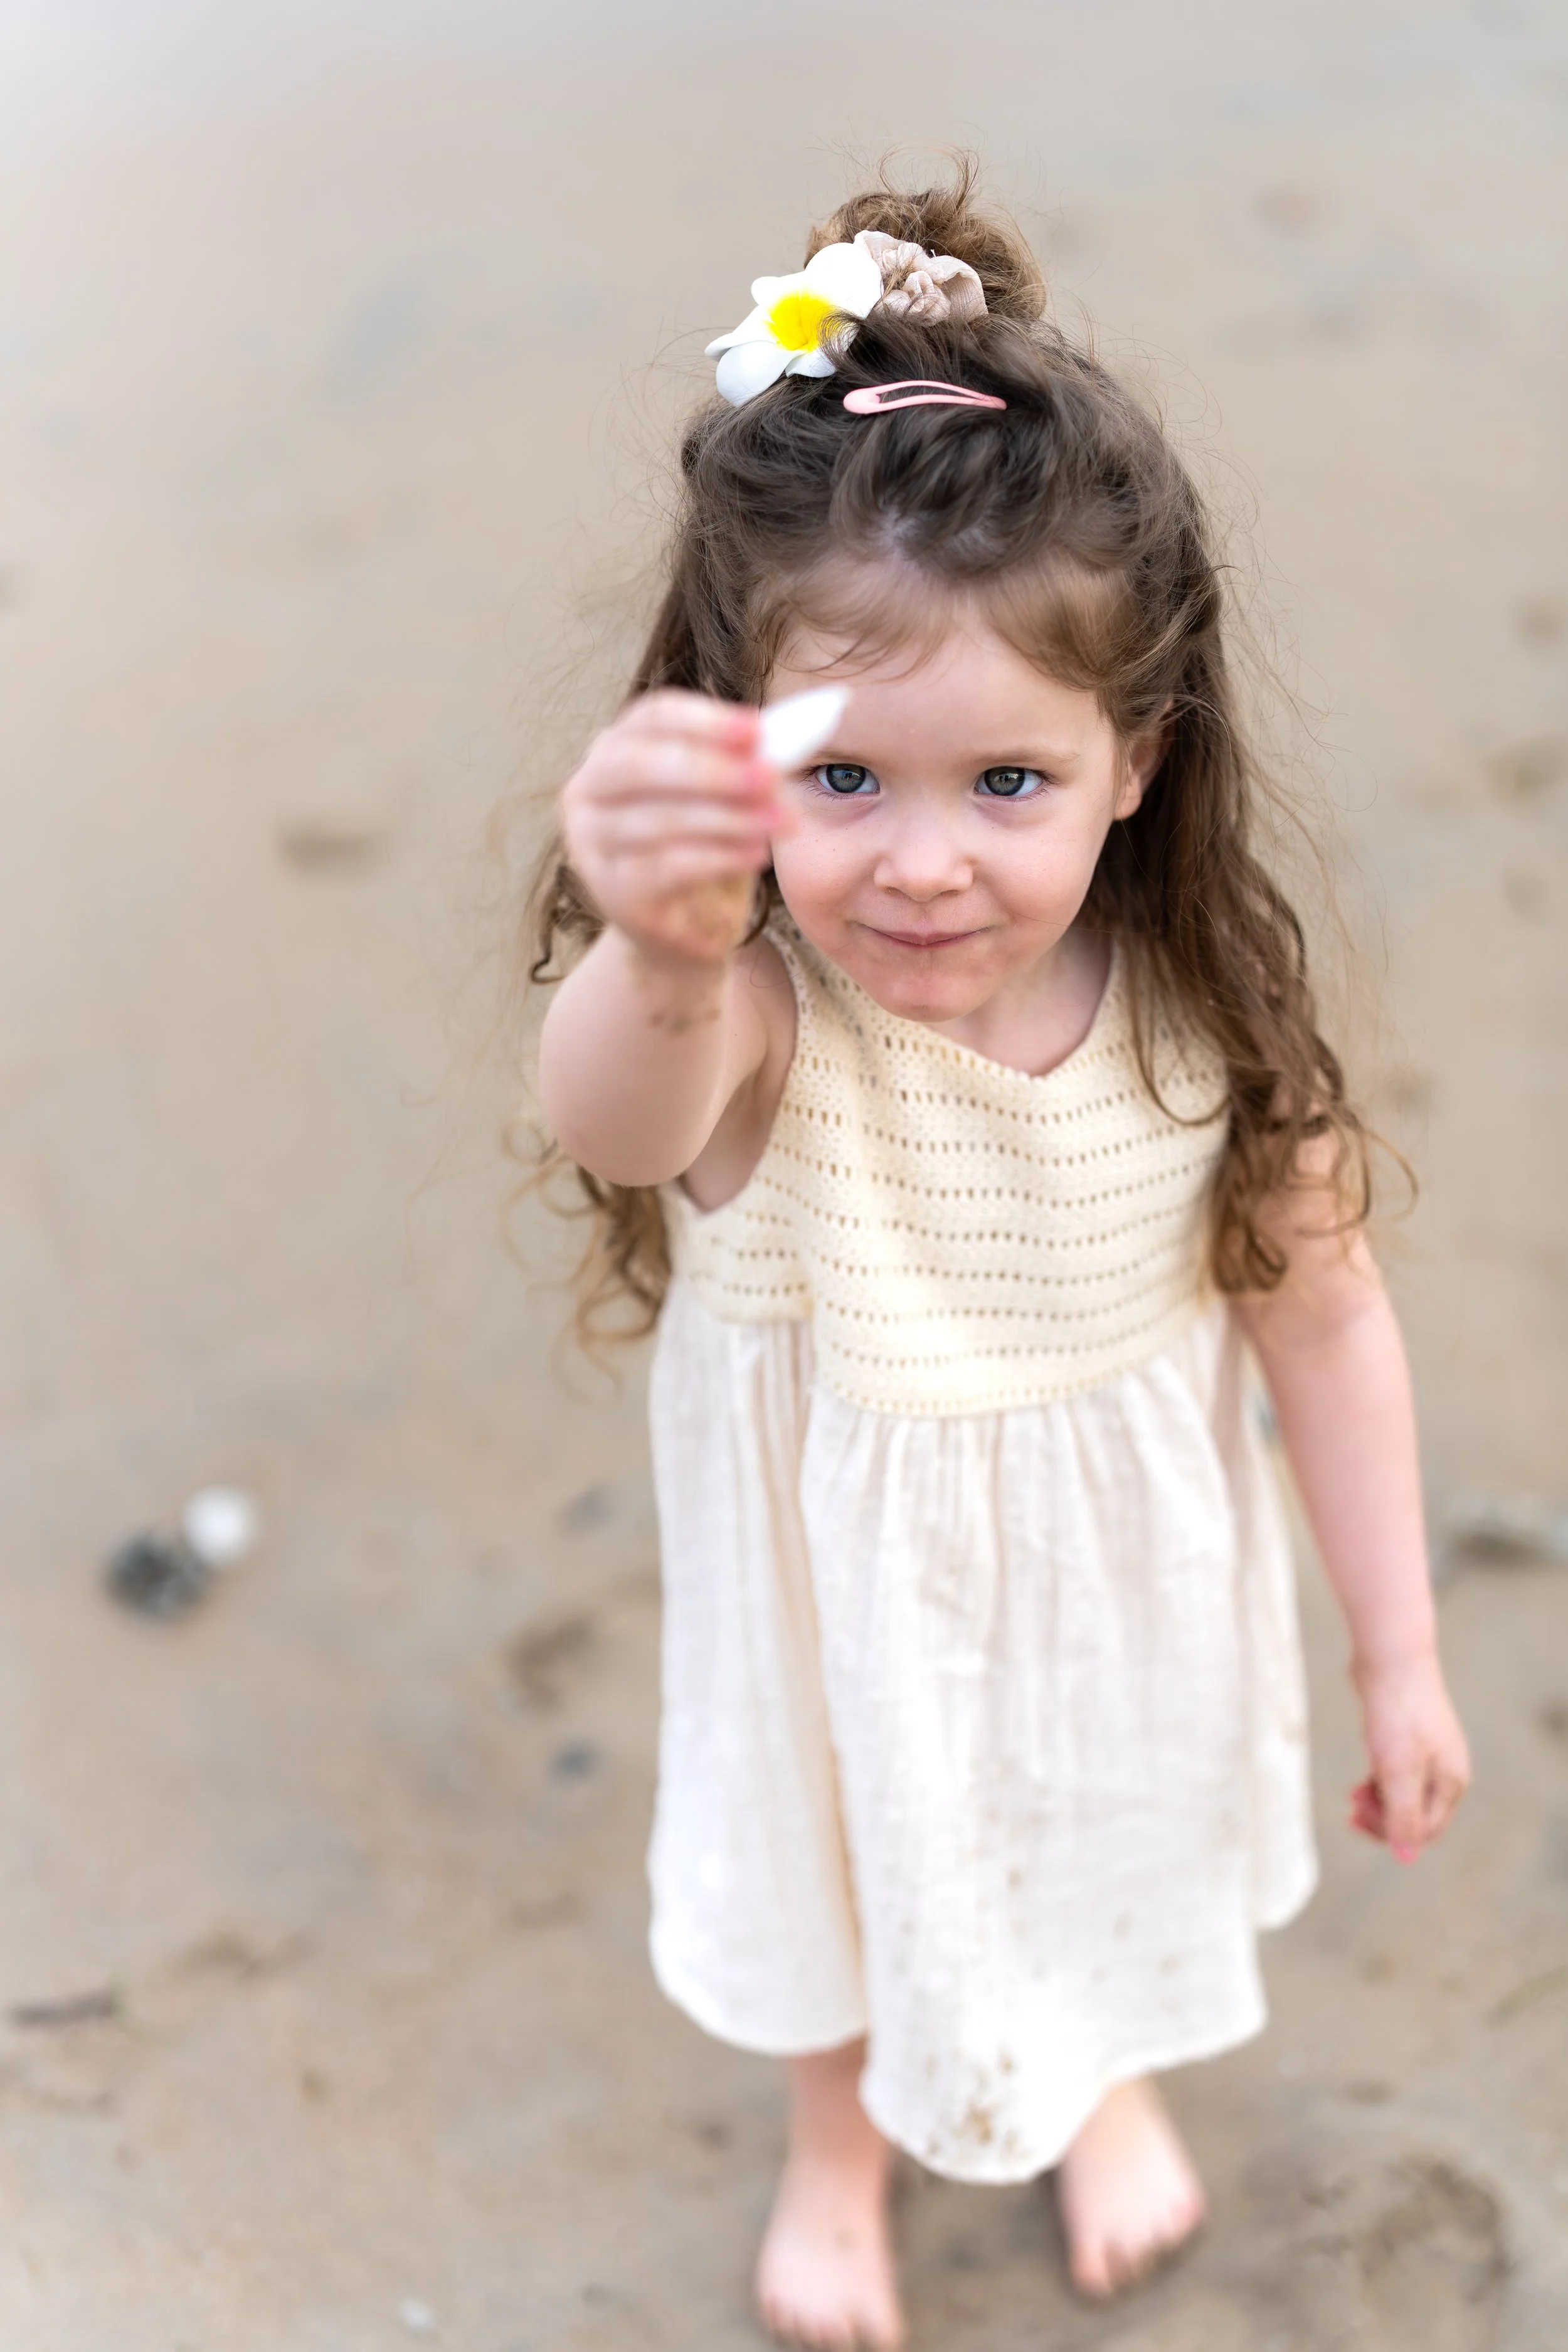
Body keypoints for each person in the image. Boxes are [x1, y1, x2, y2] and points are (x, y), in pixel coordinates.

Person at [529, 169, 1471, 2351]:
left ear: (1135, 761)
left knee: (1093, 1821)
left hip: (1117, 1583)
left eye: (1008, 781)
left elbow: (1325, 1316)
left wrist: (1400, 1647)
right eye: (845, 777)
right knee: (846, 1857)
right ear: (742, 748)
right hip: (841, 1582)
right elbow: (616, 1121)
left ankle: (1095, 2076)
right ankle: (834, 2146)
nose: (925, 863)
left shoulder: (1206, 1012)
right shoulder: (756, 1014)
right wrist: (658, 947)